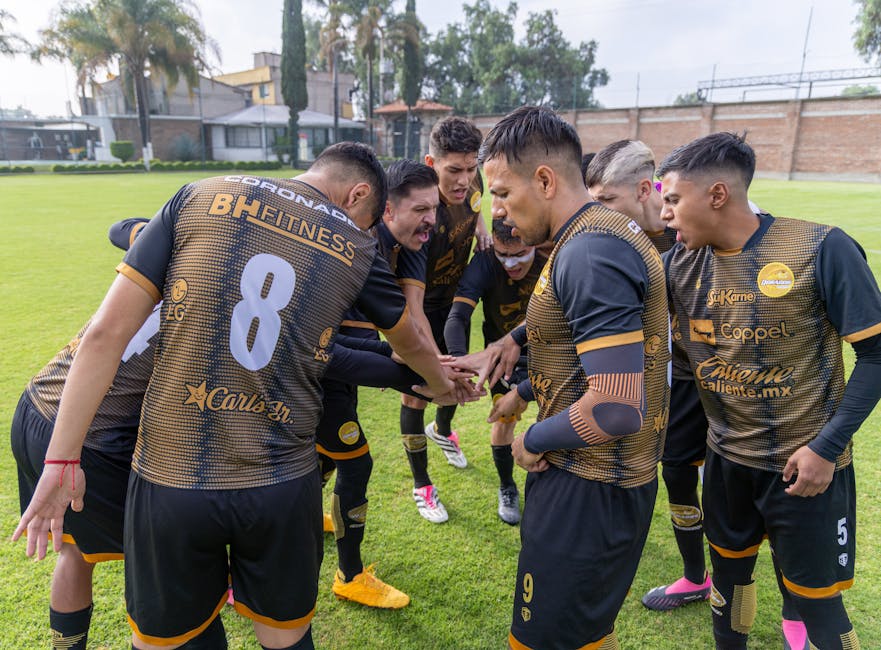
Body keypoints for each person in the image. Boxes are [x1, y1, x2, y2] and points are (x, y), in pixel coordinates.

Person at [14, 142, 466, 650]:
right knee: (271, 625)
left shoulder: (199, 202)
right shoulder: (350, 245)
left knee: (119, 583)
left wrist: (60, 458)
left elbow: (107, 316)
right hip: (220, 461)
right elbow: (393, 344)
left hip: (67, 410)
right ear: (359, 194)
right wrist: (435, 380)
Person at [660, 131, 881, 650]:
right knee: (729, 592)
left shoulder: (820, 247)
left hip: (806, 472)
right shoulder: (677, 266)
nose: (664, 213)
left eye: (672, 199)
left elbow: (876, 355)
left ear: (717, 195)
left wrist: (826, 448)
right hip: (727, 463)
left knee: (819, 607)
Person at [474, 106, 670, 649]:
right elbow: (593, 360)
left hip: (590, 485)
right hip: (600, 484)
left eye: (503, 192)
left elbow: (615, 405)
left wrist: (534, 437)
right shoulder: (594, 236)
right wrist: (522, 389)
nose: (500, 211)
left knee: (542, 640)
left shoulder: (589, 250)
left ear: (544, 179)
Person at [317, 159, 439, 604]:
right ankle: (349, 576)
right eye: (422, 209)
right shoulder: (354, 247)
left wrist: (434, 365)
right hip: (320, 369)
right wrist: (424, 375)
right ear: (386, 209)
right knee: (354, 462)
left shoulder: (408, 245)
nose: (431, 221)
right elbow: (329, 348)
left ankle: (309, 526)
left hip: (339, 366)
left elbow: (411, 321)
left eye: (435, 209)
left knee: (322, 461)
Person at [399, 116, 490, 522]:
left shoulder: (473, 184)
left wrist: (483, 225)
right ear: (430, 162)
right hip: (417, 306)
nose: (463, 180)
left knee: (459, 374)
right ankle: (422, 484)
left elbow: (474, 205)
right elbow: (411, 306)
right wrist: (431, 359)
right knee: (418, 391)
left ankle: (442, 431)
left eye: (471, 168)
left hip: (453, 303)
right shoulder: (423, 217)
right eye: (454, 170)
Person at [443, 218, 544, 525]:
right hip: (504, 360)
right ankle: (507, 485)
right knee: (503, 418)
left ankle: (555, 488)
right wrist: (459, 363)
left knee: (561, 419)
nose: (511, 264)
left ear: (535, 243)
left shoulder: (555, 255)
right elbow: (458, 316)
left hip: (554, 352)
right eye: (504, 255)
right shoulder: (485, 261)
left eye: (520, 254)